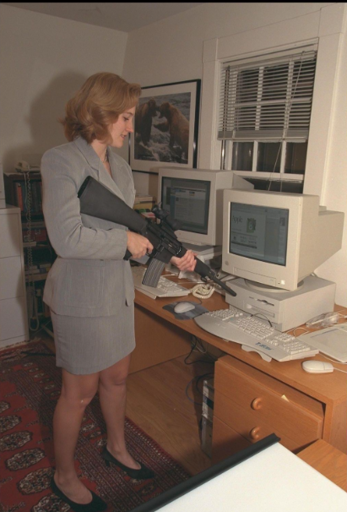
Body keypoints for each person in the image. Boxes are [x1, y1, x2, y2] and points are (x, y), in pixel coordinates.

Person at [41, 72, 197, 512]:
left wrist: (170, 253)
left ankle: (116, 447)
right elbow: (66, 238)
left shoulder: (123, 167)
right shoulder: (61, 160)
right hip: (79, 298)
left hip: (116, 292)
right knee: (79, 394)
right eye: (126, 117)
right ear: (101, 112)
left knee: (118, 379)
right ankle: (64, 474)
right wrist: (126, 243)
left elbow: (132, 235)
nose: (131, 127)